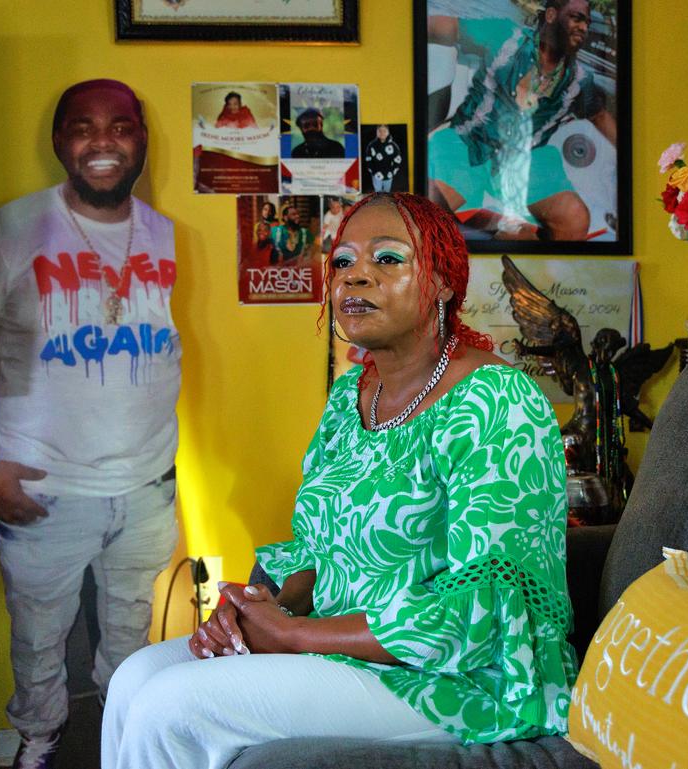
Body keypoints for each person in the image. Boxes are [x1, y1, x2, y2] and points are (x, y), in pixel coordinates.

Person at [101, 193, 577, 769]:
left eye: (388, 260)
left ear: (445, 283)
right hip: (343, 648)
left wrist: (297, 636)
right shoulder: (349, 399)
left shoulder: (497, 401)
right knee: (135, 677)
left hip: (467, 677)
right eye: (344, 263)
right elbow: (316, 554)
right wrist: (259, 607)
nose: (357, 278)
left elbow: (481, 614)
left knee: (173, 707)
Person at [0, 79, 180, 769]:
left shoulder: (163, 233)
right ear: (59, 140)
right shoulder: (11, 230)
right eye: (82, 127)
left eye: (119, 126)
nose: (101, 142)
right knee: (39, 640)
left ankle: (125, 745)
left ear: (142, 136)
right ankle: (37, 744)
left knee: (131, 635)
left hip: (148, 485)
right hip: (44, 487)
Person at [426, 0, 617, 240]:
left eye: (587, 22)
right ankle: (498, 230)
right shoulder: (504, 36)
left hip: (529, 160)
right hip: (469, 145)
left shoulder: (580, 80)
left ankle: (512, 241)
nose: (583, 27)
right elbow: (447, 28)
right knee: (428, 213)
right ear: (550, 15)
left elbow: (599, 115)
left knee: (575, 219)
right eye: (576, 18)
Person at [364, 124, 403, 192]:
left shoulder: (393, 146)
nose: (382, 133)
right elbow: (368, 159)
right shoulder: (372, 145)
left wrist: (393, 171)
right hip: (376, 175)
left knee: (386, 194)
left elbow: (398, 160)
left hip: (388, 175)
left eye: (384, 131)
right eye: (380, 131)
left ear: (388, 132)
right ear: (377, 132)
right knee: (377, 194)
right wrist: (373, 171)